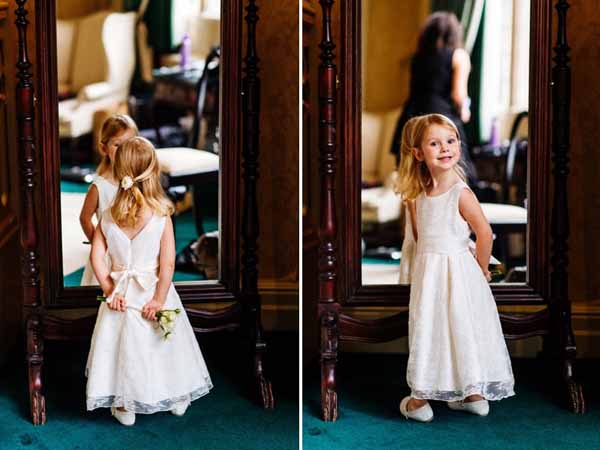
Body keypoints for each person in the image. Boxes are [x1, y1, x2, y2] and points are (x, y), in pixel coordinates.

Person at [85, 136, 213, 426]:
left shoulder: (106, 216)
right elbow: (167, 263)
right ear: (153, 171)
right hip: (154, 290)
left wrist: (108, 289)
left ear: (119, 172)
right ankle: (178, 394)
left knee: (123, 347)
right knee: (164, 344)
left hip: (121, 294)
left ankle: (124, 402)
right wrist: (158, 298)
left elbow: (97, 257)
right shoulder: (161, 215)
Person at [395, 114, 514, 422]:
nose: (445, 148)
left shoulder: (460, 192)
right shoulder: (417, 196)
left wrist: (482, 269)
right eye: (435, 143)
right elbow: (422, 241)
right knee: (442, 328)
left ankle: (426, 399)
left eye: (450, 141)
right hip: (431, 276)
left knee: (452, 327)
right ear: (419, 153)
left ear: (459, 146)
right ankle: (467, 397)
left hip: (459, 273)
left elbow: (485, 233)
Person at [390, 11, 478, 186]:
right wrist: (465, 110)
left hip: (411, 117)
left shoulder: (417, 58)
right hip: (440, 117)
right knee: (452, 177)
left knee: (416, 180)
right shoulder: (458, 56)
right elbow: (458, 95)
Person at [79, 114, 139, 285]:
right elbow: (84, 218)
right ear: (104, 148)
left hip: (135, 251)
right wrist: (99, 245)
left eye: (129, 144)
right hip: (110, 255)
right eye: (117, 145)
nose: (123, 150)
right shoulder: (100, 187)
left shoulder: (140, 180)